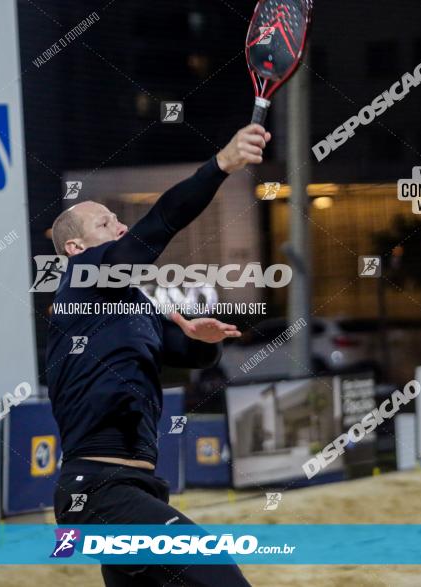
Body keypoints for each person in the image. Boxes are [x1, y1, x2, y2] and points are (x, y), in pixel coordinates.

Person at [46, 124, 270, 586]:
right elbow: (161, 221)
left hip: (136, 487)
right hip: (99, 491)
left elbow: (191, 355)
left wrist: (205, 339)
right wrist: (221, 165)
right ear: (75, 248)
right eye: (105, 223)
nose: (120, 225)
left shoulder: (131, 306)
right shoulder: (83, 278)